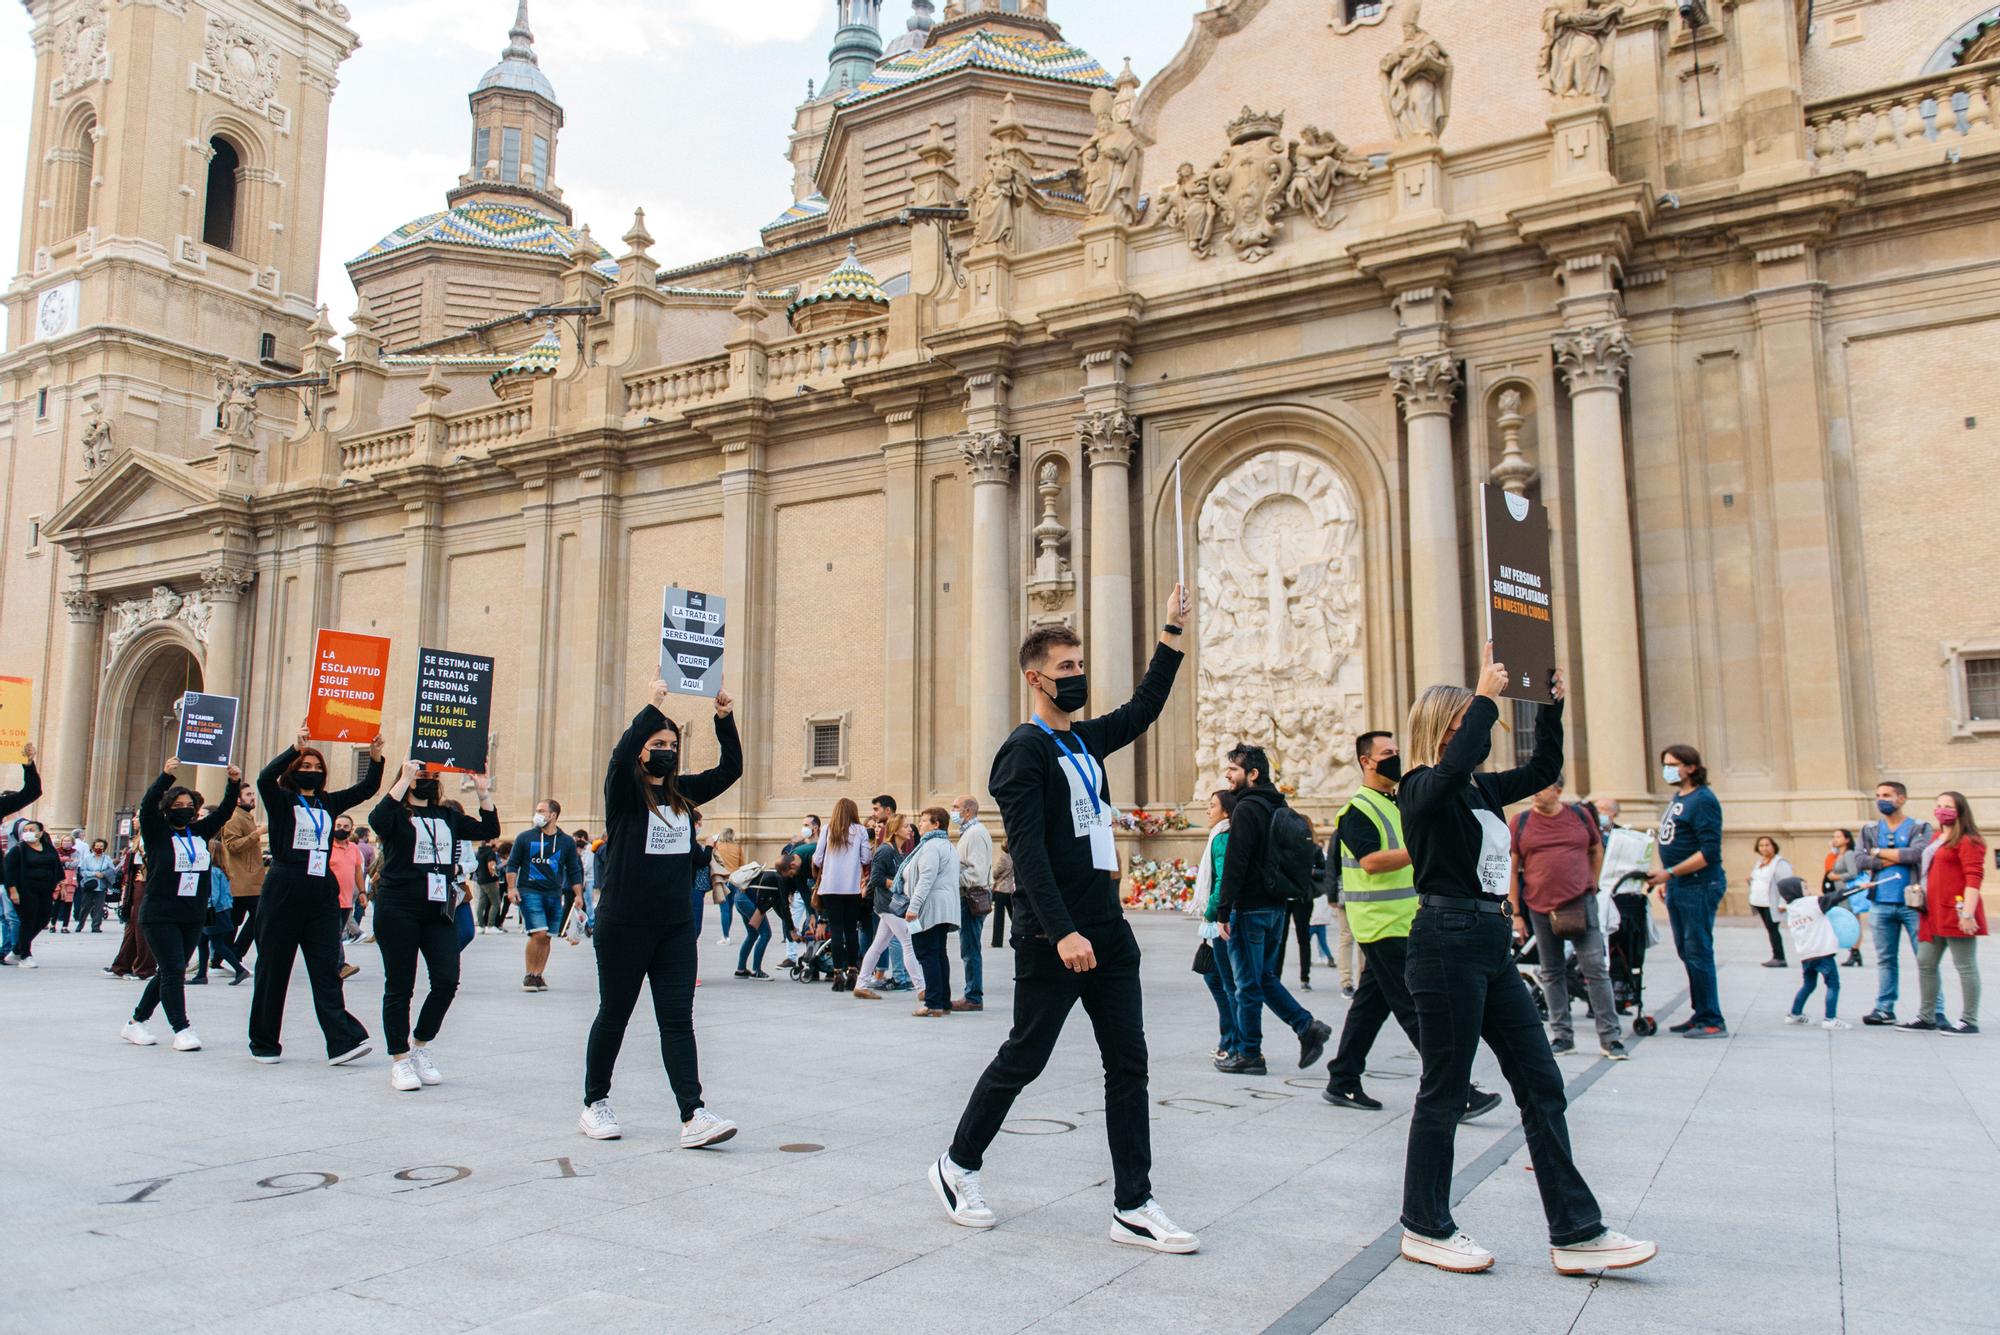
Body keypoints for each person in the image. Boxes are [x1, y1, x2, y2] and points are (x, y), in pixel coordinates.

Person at [931, 584, 1201, 1255]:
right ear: (1035, 677)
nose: (1077, 677)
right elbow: (1027, 852)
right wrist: (1062, 930)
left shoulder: (1083, 742)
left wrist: (1170, 632)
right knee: (1026, 1055)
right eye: (1066, 669)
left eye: (1081, 667)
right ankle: (957, 1164)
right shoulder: (1023, 751)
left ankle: (1133, 1203)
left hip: (1106, 929)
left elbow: (1141, 710)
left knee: (1128, 1063)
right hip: (1055, 935)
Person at [1395, 645, 1654, 1277]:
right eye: (1468, 725)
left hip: (1489, 943)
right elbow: (1451, 768)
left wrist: (1551, 707)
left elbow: (1543, 767)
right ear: (1444, 729)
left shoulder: (1482, 788)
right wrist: (1484, 693)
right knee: (1445, 1088)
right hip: (1444, 938)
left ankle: (1575, 1229)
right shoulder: (1422, 787)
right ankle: (1424, 1224)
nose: (1480, 736)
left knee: (1542, 1082)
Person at [578, 678, 742, 1147]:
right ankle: (595, 1103)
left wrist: (724, 720)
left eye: (672, 744)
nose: (666, 750)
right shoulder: (624, 793)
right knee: (615, 1014)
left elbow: (731, 769)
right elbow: (620, 752)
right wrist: (653, 704)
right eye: (658, 744)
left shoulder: (683, 795)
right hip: (623, 924)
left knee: (677, 1021)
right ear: (642, 751)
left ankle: (693, 1113)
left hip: (674, 927)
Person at [1322, 730, 1503, 1119]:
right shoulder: (1357, 809)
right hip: (1380, 924)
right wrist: (1419, 847)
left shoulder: (1397, 800)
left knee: (1370, 1006)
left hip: (1407, 919)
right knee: (1417, 1011)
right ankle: (1459, 1091)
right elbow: (1370, 861)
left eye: (1398, 751)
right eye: (1387, 753)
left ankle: (1342, 1077)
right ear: (1366, 761)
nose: (1396, 758)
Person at [245, 722, 383, 1067]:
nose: (312, 771)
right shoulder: (281, 800)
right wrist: (296, 748)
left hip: (321, 889)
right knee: (274, 967)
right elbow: (263, 778)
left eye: (317, 767)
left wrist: (377, 758)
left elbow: (367, 788)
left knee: (326, 967)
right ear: (293, 771)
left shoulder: (327, 802)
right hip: (284, 886)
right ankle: (263, 1041)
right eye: (305, 767)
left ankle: (341, 1041)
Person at [369, 759, 500, 1091]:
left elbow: (489, 830)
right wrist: (403, 781)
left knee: (446, 979)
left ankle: (420, 1046)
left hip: (438, 908)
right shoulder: (397, 814)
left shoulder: (447, 816)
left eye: (431, 774)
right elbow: (377, 819)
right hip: (398, 906)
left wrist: (484, 792)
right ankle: (399, 1059)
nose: (426, 779)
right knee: (400, 985)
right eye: (420, 773)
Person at [1213, 744, 1331, 1076]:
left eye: (1234, 769)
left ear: (1253, 774)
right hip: (1276, 907)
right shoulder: (1278, 805)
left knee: (1247, 983)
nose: (1227, 774)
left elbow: (1236, 863)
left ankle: (1250, 1052)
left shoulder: (1247, 809)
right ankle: (1306, 1027)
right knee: (1263, 977)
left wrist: (1224, 910)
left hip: (1249, 908)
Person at [121, 757, 243, 1049]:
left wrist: (234, 783)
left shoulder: (199, 833)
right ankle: (182, 1029)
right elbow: (149, 804)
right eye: (177, 806)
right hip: (160, 913)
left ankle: (136, 1022)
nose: (184, 809)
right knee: (175, 970)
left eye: (189, 805)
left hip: (193, 913)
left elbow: (225, 812)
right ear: (168, 809)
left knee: (169, 971)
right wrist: (165, 777)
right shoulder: (157, 832)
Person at [1510, 780, 1623, 1059]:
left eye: (1542, 787)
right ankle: (1562, 1036)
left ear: (1559, 791)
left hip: (1580, 902)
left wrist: (1592, 885)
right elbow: (1511, 868)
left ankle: (1610, 1038)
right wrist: (1515, 913)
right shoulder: (1520, 821)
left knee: (1595, 967)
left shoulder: (1580, 816)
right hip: (1539, 905)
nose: (1535, 792)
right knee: (1551, 971)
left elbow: (1596, 851)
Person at [1647, 744, 1728, 1039]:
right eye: (1665, 764)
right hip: (1680, 884)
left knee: (1698, 950)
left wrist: (1669, 873)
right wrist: (1670, 880)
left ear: (1691, 767)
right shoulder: (1680, 797)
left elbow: (1708, 851)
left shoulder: (1703, 799)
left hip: (1699, 884)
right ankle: (1699, 1012)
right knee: (1687, 951)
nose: (1668, 769)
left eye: (1673, 764)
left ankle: (1711, 1018)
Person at [1906, 791, 1986, 1035]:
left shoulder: (1969, 841)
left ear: (1960, 809)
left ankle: (1969, 1020)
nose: (1942, 810)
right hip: (1931, 912)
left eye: (1948, 806)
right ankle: (1926, 1016)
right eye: (1938, 805)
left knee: (1965, 965)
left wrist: (1968, 914)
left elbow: (1974, 879)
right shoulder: (1938, 837)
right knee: (1925, 962)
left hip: (1957, 912)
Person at [1859, 781, 1933, 1026]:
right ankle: (1884, 1008)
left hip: (1911, 902)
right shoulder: (1869, 829)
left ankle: (1934, 1010)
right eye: (1878, 795)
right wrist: (1894, 857)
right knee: (1885, 959)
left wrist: (1877, 853)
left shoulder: (1920, 827)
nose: (1881, 799)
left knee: (1925, 958)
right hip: (1880, 902)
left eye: (1887, 795)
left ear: (1901, 799)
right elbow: (1859, 860)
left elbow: (1918, 854)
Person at [505, 799, 583, 992]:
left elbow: (574, 870)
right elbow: (512, 864)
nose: (537, 814)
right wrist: (511, 888)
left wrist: (578, 895)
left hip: (554, 892)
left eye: (541, 810)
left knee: (547, 936)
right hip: (529, 890)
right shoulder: (525, 837)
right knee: (538, 932)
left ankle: (539, 974)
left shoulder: (566, 842)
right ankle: (529, 975)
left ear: (553, 815)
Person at [1193, 787, 1242, 1062]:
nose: (1207, 810)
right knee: (1219, 980)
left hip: (1222, 919)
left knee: (1226, 983)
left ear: (1225, 810)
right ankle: (1229, 1039)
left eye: (1212, 806)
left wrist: (1211, 914)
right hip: (1222, 916)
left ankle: (1233, 1042)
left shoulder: (1222, 838)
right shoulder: (1220, 835)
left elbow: (1222, 881)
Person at [855, 813, 920, 1000]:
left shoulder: (899, 851)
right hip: (888, 905)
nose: (910, 829)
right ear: (895, 830)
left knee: (878, 946)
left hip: (892, 904)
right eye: (906, 826)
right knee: (908, 943)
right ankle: (922, 987)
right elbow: (876, 879)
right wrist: (897, 884)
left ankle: (861, 984)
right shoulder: (885, 850)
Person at [906, 807, 963, 1017]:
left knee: (927, 953)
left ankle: (933, 1003)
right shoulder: (947, 845)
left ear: (936, 824)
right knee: (939, 954)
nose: (920, 824)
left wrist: (913, 907)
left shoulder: (930, 847)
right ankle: (943, 1001)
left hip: (930, 906)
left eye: (923, 821)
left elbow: (926, 878)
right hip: (945, 906)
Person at [1781, 875, 1858, 1031]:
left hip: (1806, 955)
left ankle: (1794, 1014)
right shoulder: (1811, 903)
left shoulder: (1792, 909)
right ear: (1795, 890)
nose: (1808, 891)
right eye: (1805, 887)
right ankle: (1830, 1018)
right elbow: (1836, 896)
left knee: (1808, 985)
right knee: (1833, 985)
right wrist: (1859, 887)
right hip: (1823, 954)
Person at [813, 798, 871, 992]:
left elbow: (818, 858)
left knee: (836, 929)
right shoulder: (860, 830)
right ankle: (853, 971)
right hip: (852, 887)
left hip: (830, 886)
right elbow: (865, 858)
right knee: (851, 930)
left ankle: (837, 974)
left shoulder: (828, 829)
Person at [4, 816, 64, 967]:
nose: (27, 833)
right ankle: (25, 955)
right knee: (28, 921)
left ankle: (17, 950)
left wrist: (61, 884)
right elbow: (9, 871)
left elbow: (57, 867)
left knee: (43, 919)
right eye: (25, 830)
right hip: (25, 890)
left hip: (45, 890)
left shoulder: (49, 848)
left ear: (40, 833)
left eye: (31, 830)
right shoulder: (18, 849)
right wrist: (13, 891)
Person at [953, 795, 994, 1012]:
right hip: (971, 895)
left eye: (956, 807)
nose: (953, 811)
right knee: (970, 947)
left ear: (968, 811)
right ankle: (973, 993)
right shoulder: (972, 832)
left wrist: (952, 879)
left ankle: (973, 996)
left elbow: (976, 872)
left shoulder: (975, 834)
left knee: (970, 948)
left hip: (971, 897)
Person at [217, 785, 266, 963]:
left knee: (237, 921)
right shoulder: (234, 818)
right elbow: (233, 845)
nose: (252, 797)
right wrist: (257, 833)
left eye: (252, 794)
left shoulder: (246, 817)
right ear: (238, 799)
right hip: (241, 880)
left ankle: (225, 956)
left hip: (250, 880)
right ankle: (230, 955)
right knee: (250, 918)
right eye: (248, 794)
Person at [731, 855, 794, 980]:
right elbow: (783, 906)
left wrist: (788, 926)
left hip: (741, 897)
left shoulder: (772, 873)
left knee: (753, 934)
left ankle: (741, 969)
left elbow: (777, 905)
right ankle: (756, 971)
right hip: (748, 900)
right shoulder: (781, 878)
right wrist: (791, 928)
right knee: (765, 934)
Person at [1747, 836, 1793, 968]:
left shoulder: (1780, 863)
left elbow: (1786, 883)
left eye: (1767, 845)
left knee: (1773, 929)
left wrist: (1783, 902)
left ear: (1773, 846)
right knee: (1770, 929)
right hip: (1759, 902)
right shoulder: (1759, 862)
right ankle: (1776, 956)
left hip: (1772, 903)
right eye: (1761, 845)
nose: (1764, 848)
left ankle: (1779, 957)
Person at [329, 813, 365, 981]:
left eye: (345, 827)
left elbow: (358, 871)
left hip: (346, 900)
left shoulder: (354, 849)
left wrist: (363, 892)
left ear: (351, 829)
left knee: (334, 934)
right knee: (335, 934)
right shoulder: (328, 846)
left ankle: (329, 965)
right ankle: (340, 966)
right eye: (338, 826)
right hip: (329, 899)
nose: (341, 830)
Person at [1825, 829, 1865, 967]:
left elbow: (1853, 873)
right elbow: (1828, 867)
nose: (1835, 839)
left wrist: (1837, 877)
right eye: (1834, 837)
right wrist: (1832, 851)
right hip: (1840, 893)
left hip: (1849, 892)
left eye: (1838, 837)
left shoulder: (1849, 854)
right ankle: (1853, 951)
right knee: (1847, 920)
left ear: (1847, 839)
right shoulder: (1837, 855)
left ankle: (1855, 952)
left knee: (1854, 920)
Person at [74, 837, 114, 933]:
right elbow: (82, 871)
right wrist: (94, 874)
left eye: (101, 846)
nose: (99, 848)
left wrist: (104, 874)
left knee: (99, 908)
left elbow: (112, 870)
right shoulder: (87, 858)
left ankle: (96, 926)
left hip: (101, 886)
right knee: (85, 907)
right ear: (93, 847)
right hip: (90, 885)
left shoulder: (107, 859)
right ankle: (80, 924)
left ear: (104, 848)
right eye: (97, 846)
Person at [712, 827, 745, 942]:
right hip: (734, 880)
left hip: (723, 880)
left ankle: (725, 936)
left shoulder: (718, 847)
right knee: (730, 908)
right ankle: (727, 935)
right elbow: (742, 864)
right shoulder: (737, 847)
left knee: (724, 909)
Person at [473, 837, 505, 933]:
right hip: (489, 881)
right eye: (496, 839)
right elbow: (491, 867)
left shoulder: (479, 851)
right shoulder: (490, 852)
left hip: (480, 879)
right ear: (491, 840)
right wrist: (495, 877)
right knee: (496, 902)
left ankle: (480, 926)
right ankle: (490, 926)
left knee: (481, 903)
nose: (497, 842)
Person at [990, 846, 1014, 948]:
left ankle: (997, 942)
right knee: (1013, 915)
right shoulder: (1014, 857)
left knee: (998, 918)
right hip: (1011, 890)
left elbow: (995, 873)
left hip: (1001, 890)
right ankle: (1019, 936)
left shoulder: (1004, 858)